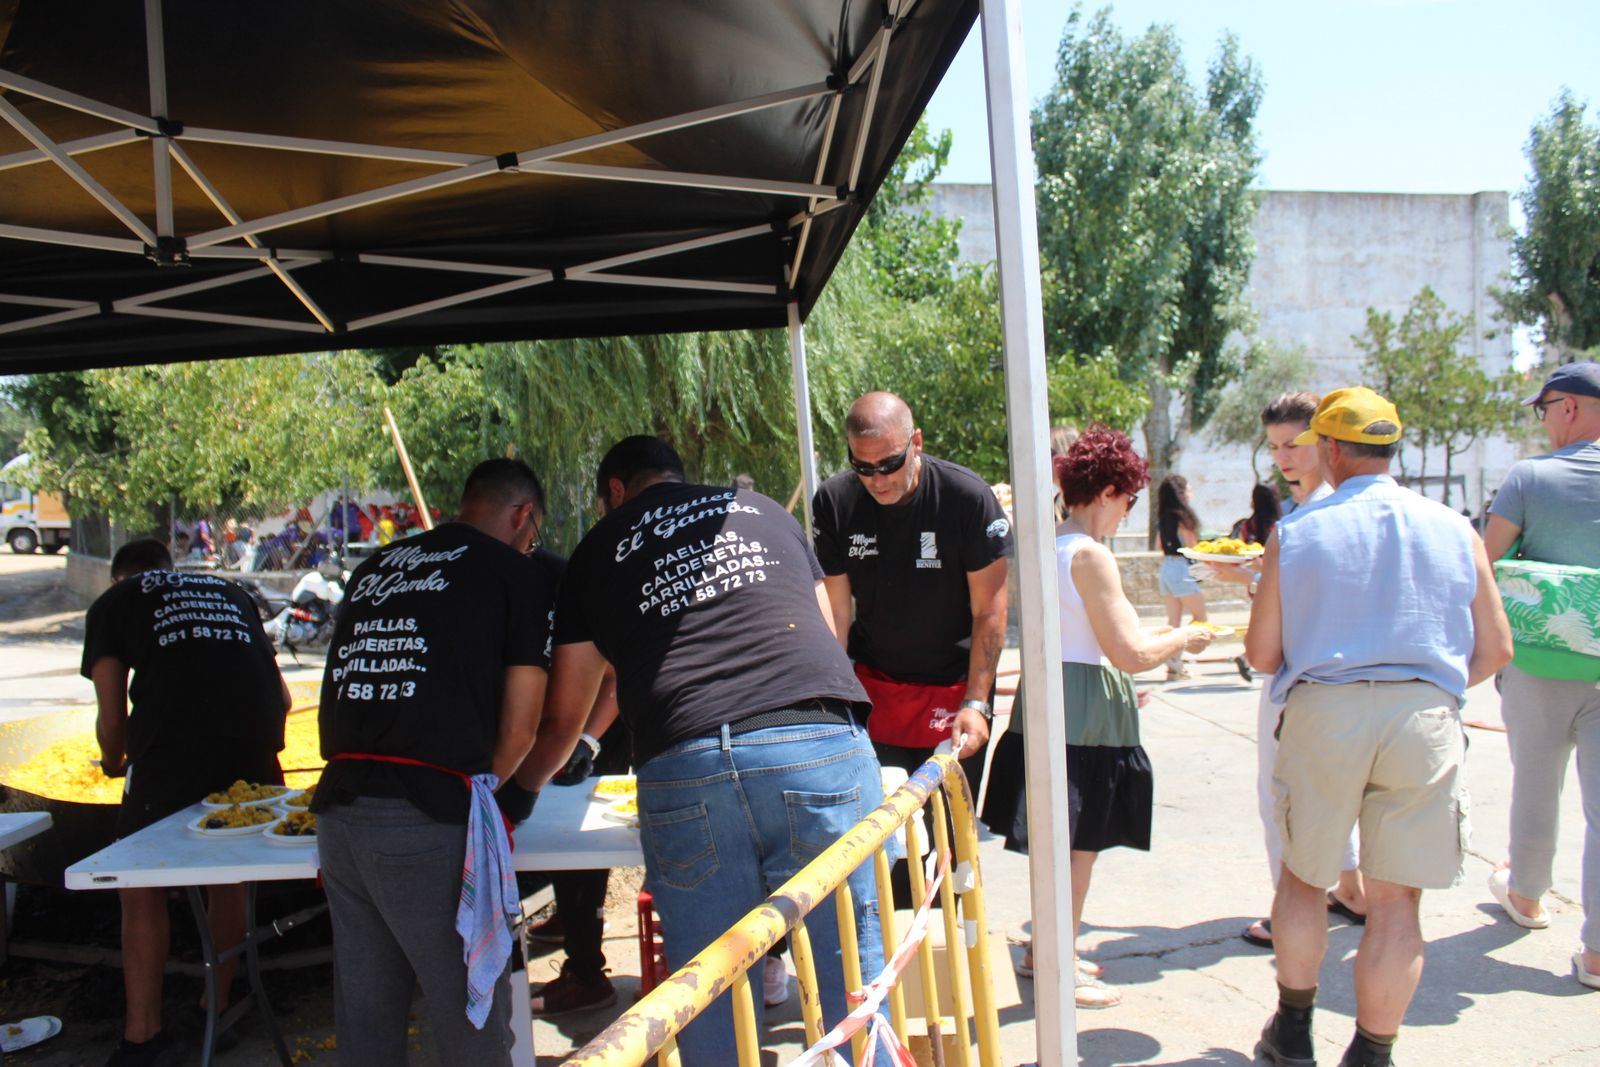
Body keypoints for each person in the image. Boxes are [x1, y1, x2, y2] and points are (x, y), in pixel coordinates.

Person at [508, 434, 886, 1061]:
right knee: (852, 976)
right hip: (814, 739)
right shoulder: (766, 512)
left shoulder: (597, 549)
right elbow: (827, 633)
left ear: (616, 492)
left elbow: (561, 721)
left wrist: (517, 796)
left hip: (686, 758)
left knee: (711, 989)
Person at [1244, 387, 1512, 1067]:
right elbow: (1496, 648)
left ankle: (1293, 1030)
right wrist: (1429, 684)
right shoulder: (1457, 529)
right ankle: (1372, 1050)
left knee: (1305, 879)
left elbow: (1263, 654)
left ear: (1332, 450)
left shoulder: (1296, 532)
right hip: (1423, 713)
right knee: (1397, 902)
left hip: (1325, 709)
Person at [312, 459, 554, 1067]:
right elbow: (522, 728)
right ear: (523, 515)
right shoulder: (512, 574)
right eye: (534, 534)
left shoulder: (375, 567)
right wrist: (481, 794)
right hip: (427, 820)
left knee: (367, 1020)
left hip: (339, 816)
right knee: (470, 1020)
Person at [981, 428, 1213, 1009]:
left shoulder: (1047, 546)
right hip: (1082, 713)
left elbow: (1097, 638)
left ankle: (1048, 950)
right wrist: (1184, 636)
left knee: (1057, 846)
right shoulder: (1090, 554)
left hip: (1052, 698)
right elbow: (1129, 652)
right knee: (1076, 851)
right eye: (1128, 500)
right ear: (1109, 491)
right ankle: (1056, 963)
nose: (1127, 512)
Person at [82, 539, 291, 1067]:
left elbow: (112, 718)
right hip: (255, 744)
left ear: (119, 577)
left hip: (170, 749)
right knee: (227, 873)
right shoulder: (231, 592)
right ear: (169, 568)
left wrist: (112, 761)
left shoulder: (116, 601)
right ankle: (215, 1009)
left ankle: (142, 1038)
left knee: (138, 883)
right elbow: (285, 698)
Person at [1207, 392, 1368, 948]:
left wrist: (1253, 579)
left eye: (1293, 444)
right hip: (1350, 675)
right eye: (1275, 446)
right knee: (1335, 794)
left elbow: (1299, 604)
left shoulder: (1315, 515)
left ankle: (1292, 910)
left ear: (1327, 443)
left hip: (1305, 674)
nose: (1283, 457)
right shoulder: (1323, 507)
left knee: (1282, 796)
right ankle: (1350, 890)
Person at [810, 391, 1009, 792]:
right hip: (877, 688)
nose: (877, 480)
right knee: (886, 824)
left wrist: (976, 702)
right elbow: (837, 613)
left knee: (947, 826)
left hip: (954, 690)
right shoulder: (835, 501)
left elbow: (989, 612)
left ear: (916, 442)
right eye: (863, 467)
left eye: (889, 464)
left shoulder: (966, 498)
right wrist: (830, 697)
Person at [1481, 361, 1600, 991]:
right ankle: (1599, 955)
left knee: (1536, 781)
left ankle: (1526, 896)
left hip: (1540, 663)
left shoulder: (1530, 476)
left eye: (1544, 408)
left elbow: (1485, 563)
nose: (1544, 420)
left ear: (1570, 407)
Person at [1155, 474, 1207, 680]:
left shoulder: (1163, 517)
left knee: (1173, 621)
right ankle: (1178, 650)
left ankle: (1173, 663)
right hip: (1181, 567)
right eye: (1189, 490)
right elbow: (1192, 546)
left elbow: (1159, 545)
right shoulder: (1183, 517)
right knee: (1201, 616)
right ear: (1182, 493)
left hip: (1167, 567)